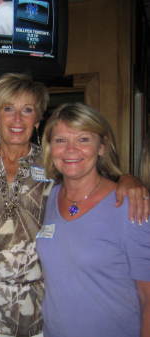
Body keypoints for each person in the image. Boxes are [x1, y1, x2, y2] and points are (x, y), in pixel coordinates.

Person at [0, 73, 150, 337]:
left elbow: (91, 178)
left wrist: (127, 179)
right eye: (8, 109)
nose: (17, 119)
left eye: (27, 110)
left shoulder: (53, 165)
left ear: (38, 119)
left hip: (38, 310)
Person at [37, 102, 150, 337]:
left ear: (102, 147)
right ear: (50, 148)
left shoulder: (129, 205)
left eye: (83, 139)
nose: (70, 150)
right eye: (60, 140)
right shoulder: (49, 195)